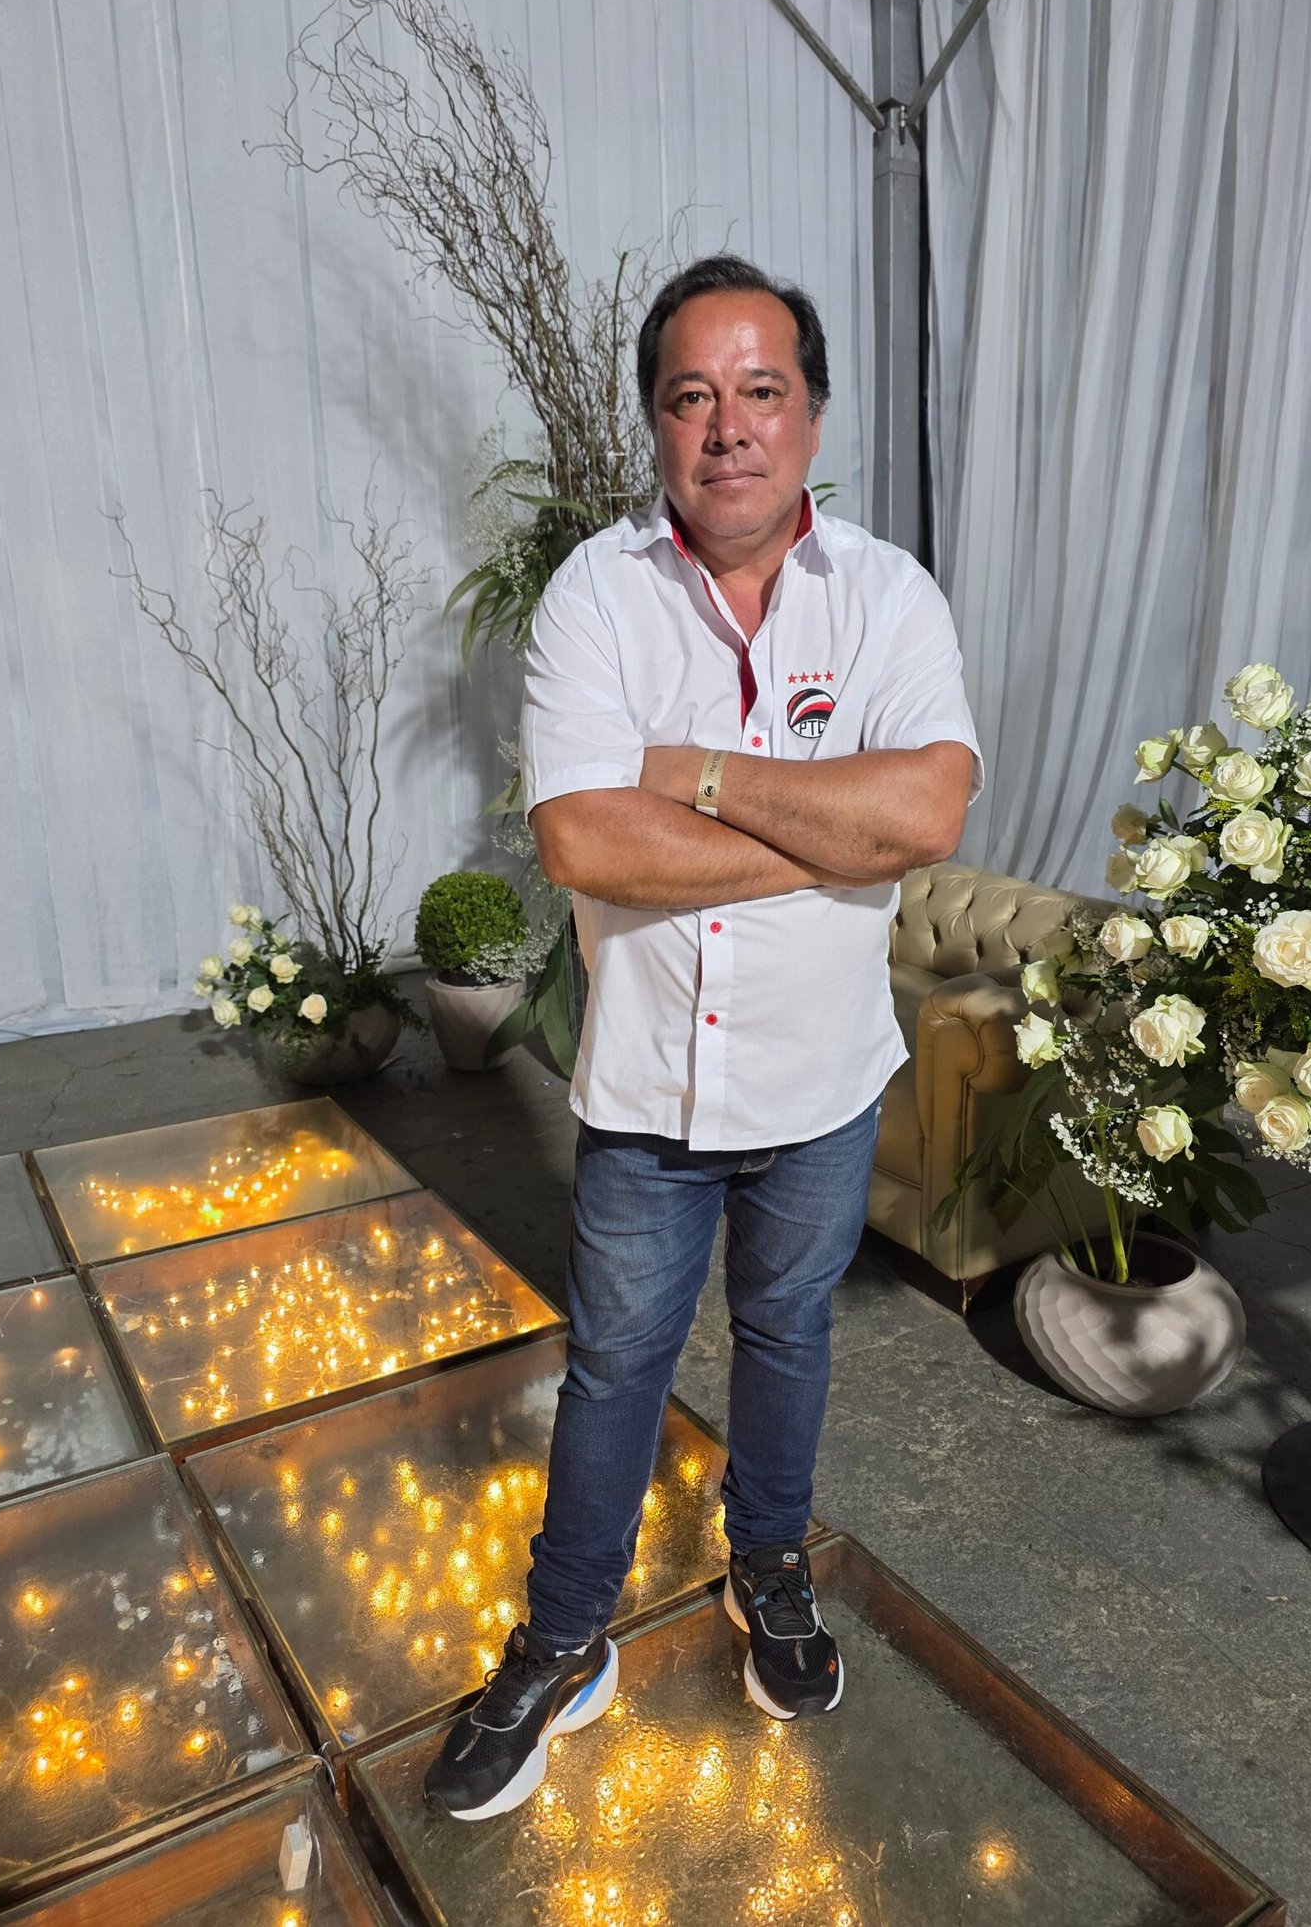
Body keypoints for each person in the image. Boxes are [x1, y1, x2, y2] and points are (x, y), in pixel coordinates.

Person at [423, 254, 982, 1821]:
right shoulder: (597, 596)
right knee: (615, 1363)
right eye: (692, 396)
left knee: (789, 1336)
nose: (728, 426)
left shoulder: (889, 598)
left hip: (821, 1084)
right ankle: (564, 1637)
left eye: (760, 390)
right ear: (657, 425)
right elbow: (585, 841)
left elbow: (927, 809)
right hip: (648, 1090)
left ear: (812, 415)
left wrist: (701, 776)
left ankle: (768, 1569)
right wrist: (830, 834)